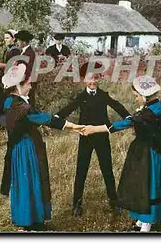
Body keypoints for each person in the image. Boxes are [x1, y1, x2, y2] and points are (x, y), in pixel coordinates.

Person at [82, 76, 161, 233]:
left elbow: (126, 123)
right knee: (142, 183)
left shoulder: (149, 113)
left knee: (146, 184)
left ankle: (147, 221)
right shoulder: (156, 107)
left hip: (148, 153)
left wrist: (94, 129)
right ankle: (143, 218)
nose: (136, 98)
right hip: (151, 150)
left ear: (144, 95)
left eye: (137, 95)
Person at [0, 64, 84, 231]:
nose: (31, 86)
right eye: (28, 84)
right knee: (28, 181)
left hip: (18, 147)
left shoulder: (11, 101)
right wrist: (72, 126)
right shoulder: (20, 107)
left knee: (27, 181)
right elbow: (44, 118)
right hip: (26, 148)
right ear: (18, 86)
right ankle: (26, 222)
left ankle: (32, 219)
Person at [56, 62, 131, 217]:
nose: (93, 81)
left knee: (107, 169)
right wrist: (56, 118)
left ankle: (114, 202)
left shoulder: (103, 95)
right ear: (84, 79)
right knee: (81, 169)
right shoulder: (81, 96)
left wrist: (128, 116)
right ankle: (77, 204)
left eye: (95, 78)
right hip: (85, 137)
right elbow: (69, 107)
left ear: (99, 78)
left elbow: (116, 105)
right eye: (89, 78)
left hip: (102, 137)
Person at [0, 29, 21, 125]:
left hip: (11, 79)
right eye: (5, 38)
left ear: (13, 39)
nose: (6, 40)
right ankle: (3, 123)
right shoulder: (7, 49)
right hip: (4, 78)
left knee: (8, 101)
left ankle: (9, 123)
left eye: (8, 38)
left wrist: (2, 65)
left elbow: (14, 65)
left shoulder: (16, 51)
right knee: (0, 101)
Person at [13, 30, 37, 106]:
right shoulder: (24, 52)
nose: (17, 42)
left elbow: (26, 70)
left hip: (25, 84)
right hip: (23, 83)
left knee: (26, 105)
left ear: (24, 42)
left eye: (18, 41)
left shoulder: (29, 53)